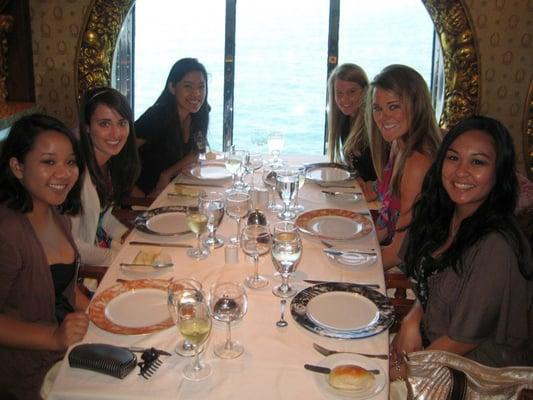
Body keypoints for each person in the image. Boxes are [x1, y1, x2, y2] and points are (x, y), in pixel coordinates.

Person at [389, 116, 533, 380]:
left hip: (476, 375)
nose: (461, 172)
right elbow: (430, 281)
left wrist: (400, 372)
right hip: (432, 348)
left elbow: (461, 341)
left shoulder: (496, 247)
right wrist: (412, 317)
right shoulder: (444, 215)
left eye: (477, 162)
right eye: (453, 158)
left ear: (499, 171)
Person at [0, 114, 90, 399]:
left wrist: (101, 313)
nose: (64, 174)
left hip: (64, 352)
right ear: (17, 167)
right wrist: (54, 337)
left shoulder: (56, 214)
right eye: (49, 162)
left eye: (71, 162)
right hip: (29, 373)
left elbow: (63, 287)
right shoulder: (9, 231)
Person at [366, 64, 441, 269]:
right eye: (377, 108)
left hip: (416, 273)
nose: (383, 118)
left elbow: (399, 253)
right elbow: (387, 224)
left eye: (393, 106)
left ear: (416, 105)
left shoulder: (417, 162)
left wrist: (353, 267)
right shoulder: (398, 145)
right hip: (396, 254)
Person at [72, 87, 140, 266]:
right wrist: (117, 259)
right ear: (87, 127)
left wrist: (126, 236)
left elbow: (103, 218)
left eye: (122, 122)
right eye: (104, 124)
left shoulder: (109, 166)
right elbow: (74, 246)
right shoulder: (74, 175)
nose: (116, 133)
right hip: (85, 270)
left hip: (103, 251)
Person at [133, 58, 211, 196]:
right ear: (172, 88)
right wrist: (137, 194)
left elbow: (195, 152)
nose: (197, 94)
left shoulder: (199, 113)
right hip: (143, 195)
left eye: (201, 87)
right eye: (188, 86)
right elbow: (122, 154)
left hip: (170, 189)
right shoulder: (156, 116)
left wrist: (167, 174)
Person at [326, 63, 377, 184]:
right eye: (339, 93)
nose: (345, 100)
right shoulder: (344, 119)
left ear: (365, 90)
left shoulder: (374, 125)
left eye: (352, 92)